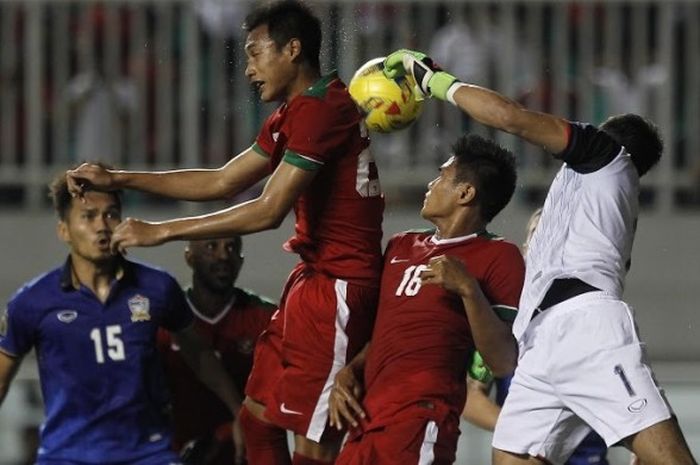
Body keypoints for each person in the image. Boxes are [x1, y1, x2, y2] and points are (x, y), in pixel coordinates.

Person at [65, 2, 384, 464]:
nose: (249, 69)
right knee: (257, 419)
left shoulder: (321, 110)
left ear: (293, 50)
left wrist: (163, 230)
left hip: (340, 288)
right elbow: (222, 181)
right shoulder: (297, 112)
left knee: (314, 445)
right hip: (312, 281)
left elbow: (268, 210)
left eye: (256, 54)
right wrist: (119, 178)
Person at [383, 50, 698, 465]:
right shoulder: (592, 194)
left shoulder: (606, 159)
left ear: (607, 137)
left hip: (585, 328)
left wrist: (433, 81)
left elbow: (509, 117)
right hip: (539, 342)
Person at [0, 170, 242, 465]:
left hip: (148, 454)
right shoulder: (32, 301)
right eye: (88, 216)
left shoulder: (158, 288)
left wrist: (238, 412)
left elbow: (200, 353)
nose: (102, 226)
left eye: (111, 214)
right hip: (67, 455)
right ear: (63, 229)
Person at [329, 133, 525, 465]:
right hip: (365, 419)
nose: (431, 183)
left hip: (421, 418)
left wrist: (469, 290)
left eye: (442, 176)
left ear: (465, 193)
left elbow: (503, 360)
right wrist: (351, 370)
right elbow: (387, 332)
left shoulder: (499, 255)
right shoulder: (400, 245)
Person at [462, 208, 611, 465]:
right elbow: (471, 397)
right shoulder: (504, 320)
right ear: (524, 250)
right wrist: (525, 430)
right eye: (538, 235)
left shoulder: (599, 314)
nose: (547, 245)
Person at [157, 236, 276, 465]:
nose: (223, 255)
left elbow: (283, 394)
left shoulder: (266, 318)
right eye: (211, 246)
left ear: (241, 261)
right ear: (188, 257)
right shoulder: (162, 318)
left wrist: (227, 431)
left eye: (231, 247)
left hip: (243, 455)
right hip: (173, 454)